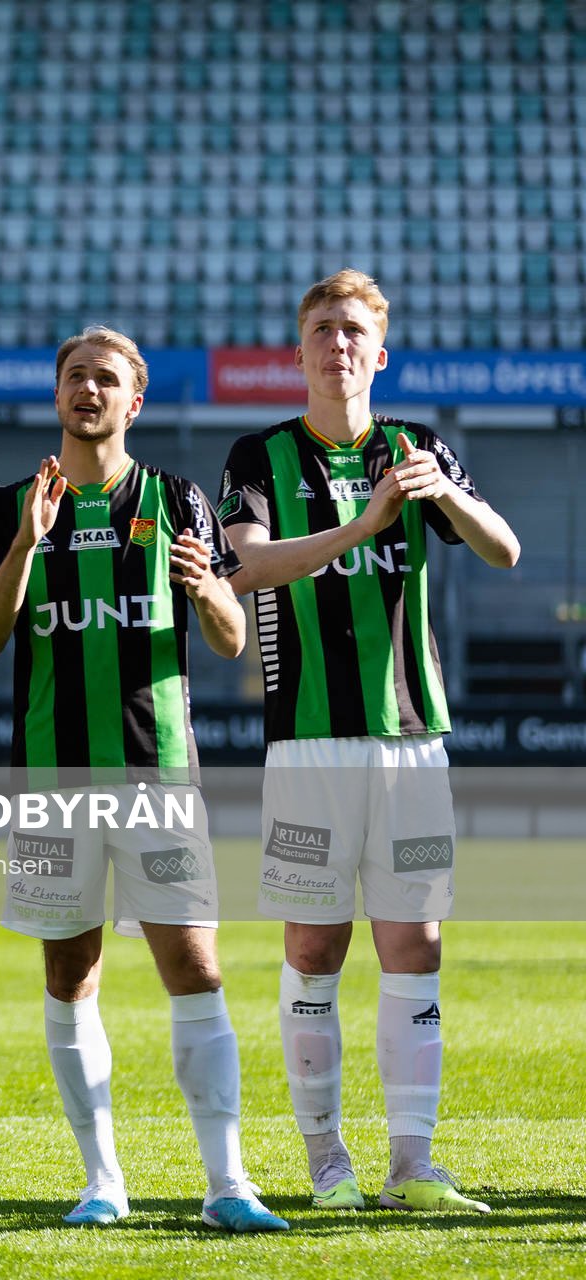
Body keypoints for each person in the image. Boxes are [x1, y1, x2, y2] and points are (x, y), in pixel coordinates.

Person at [0, 326, 287, 1233]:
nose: (89, 390)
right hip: (52, 781)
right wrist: (28, 544)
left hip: (159, 775)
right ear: (57, 393)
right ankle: (102, 1180)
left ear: (133, 400)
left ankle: (228, 1183)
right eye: (75, 377)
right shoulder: (5, 505)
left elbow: (229, 641)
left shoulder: (178, 498)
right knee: (71, 972)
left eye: (107, 379)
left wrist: (210, 590)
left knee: (195, 965)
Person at [217, 270, 519, 1215]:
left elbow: (505, 550)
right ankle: (325, 1162)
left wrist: (446, 498)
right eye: (321, 330)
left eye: (353, 331)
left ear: (378, 353)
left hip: (411, 738)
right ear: (298, 352)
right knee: (314, 946)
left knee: (416, 945)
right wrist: (365, 523)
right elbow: (247, 565)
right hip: (308, 738)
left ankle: (411, 1165)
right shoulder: (260, 456)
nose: (337, 344)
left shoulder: (418, 447)